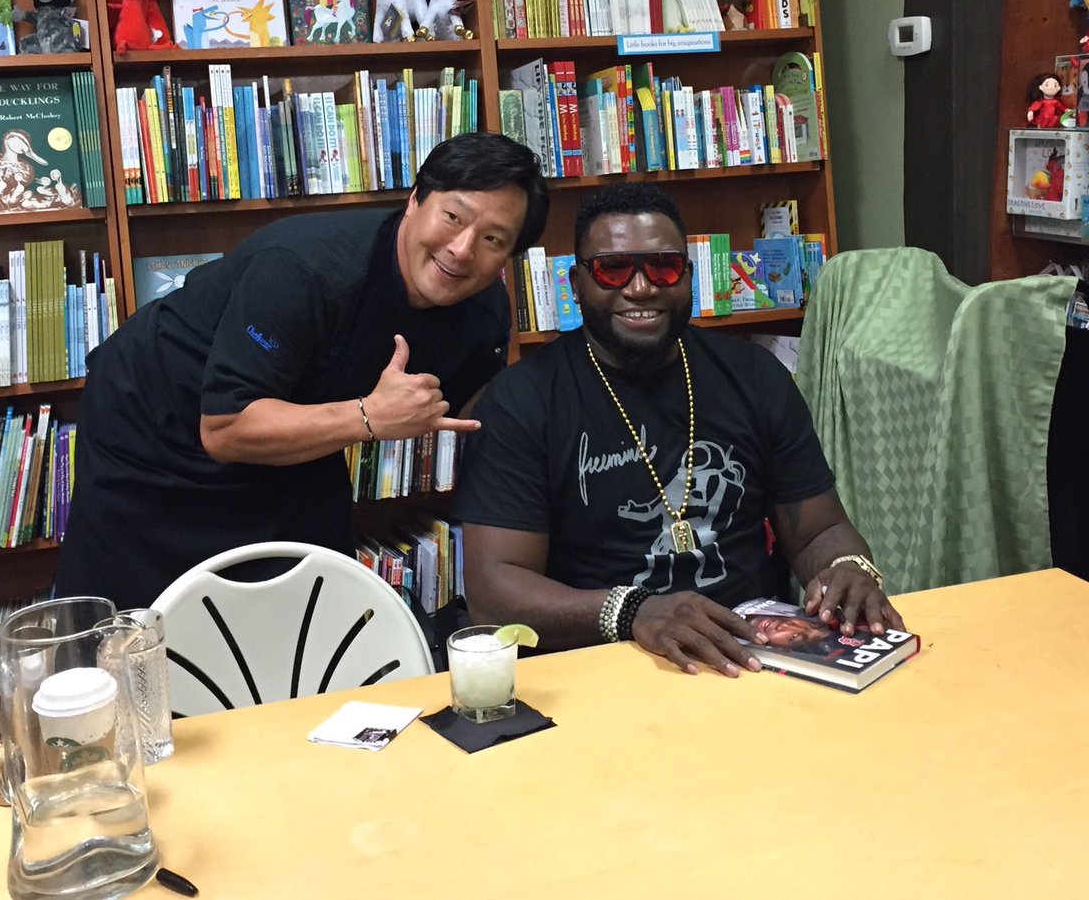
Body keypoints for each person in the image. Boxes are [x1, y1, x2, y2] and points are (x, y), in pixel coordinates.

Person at [55, 131, 548, 609]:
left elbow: (474, 413)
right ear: (415, 199)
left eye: (492, 238)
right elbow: (225, 428)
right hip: (155, 423)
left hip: (298, 424)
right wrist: (369, 416)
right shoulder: (304, 268)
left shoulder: (483, 313)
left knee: (314, 595)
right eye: (453, 217)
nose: (462, 249)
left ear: (509, 255)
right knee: (138, 615)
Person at [453, 181, 903, 678]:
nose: (641, 288)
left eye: (663, 267)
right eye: (612, 269)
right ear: (577, 283)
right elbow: (494, 593)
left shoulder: (755, 377)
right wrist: (633, 611)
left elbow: (820, 530)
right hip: (602, 665)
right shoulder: (522, 399)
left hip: (752, 655)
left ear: (689, 276)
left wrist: (847, 569)